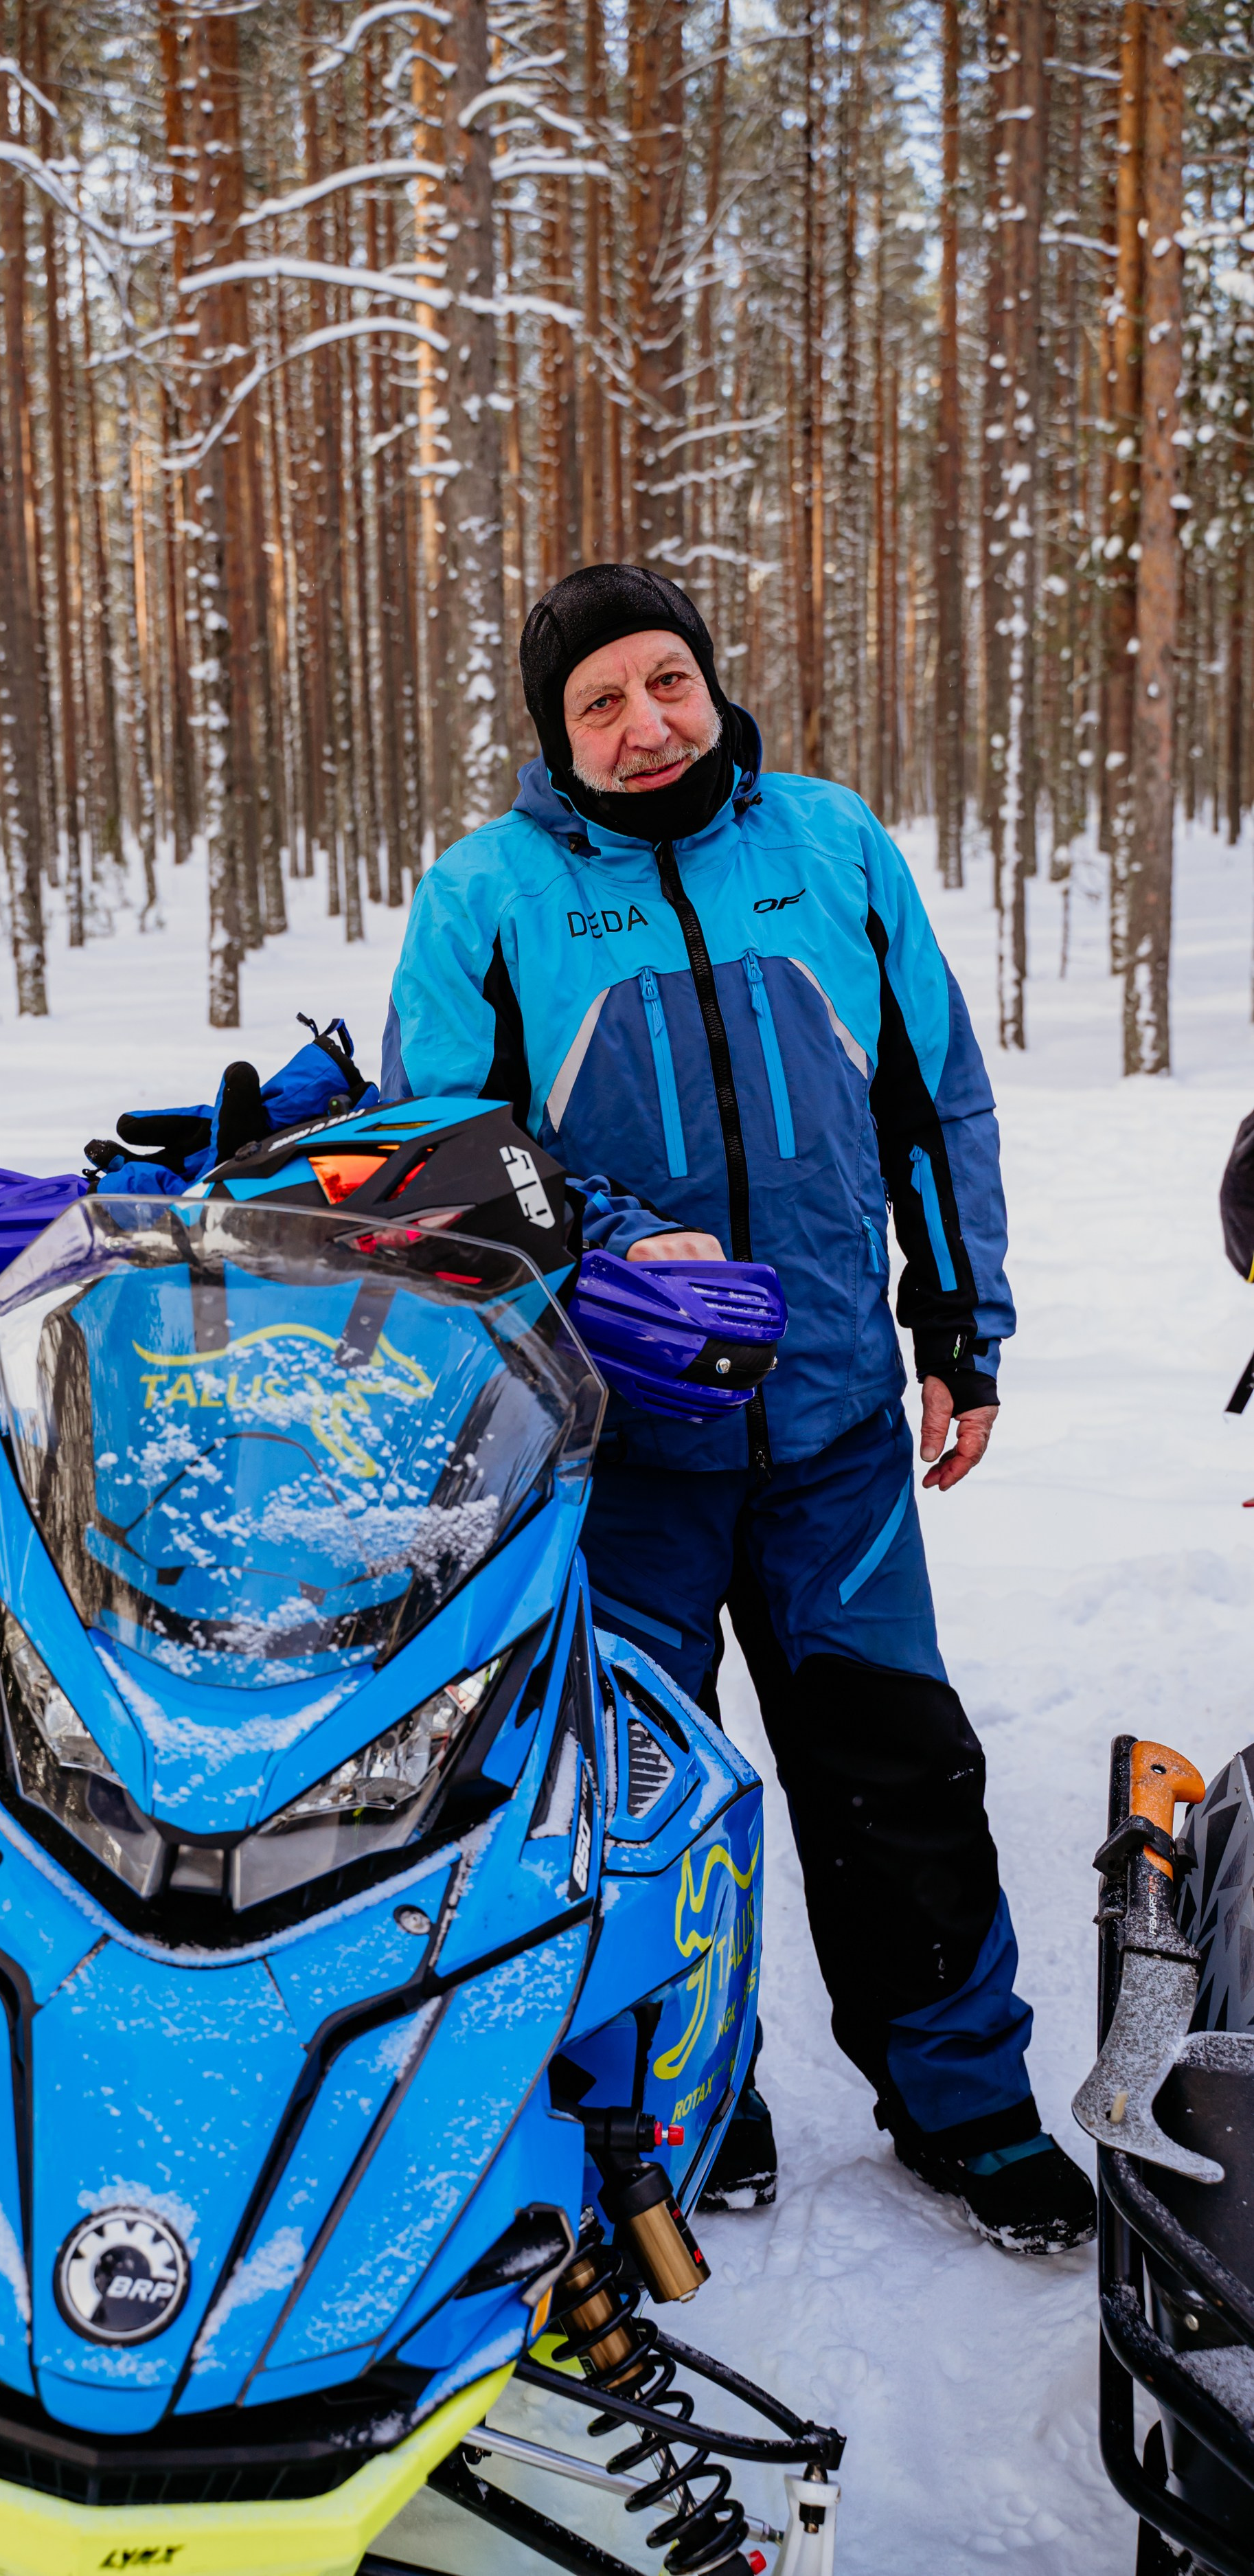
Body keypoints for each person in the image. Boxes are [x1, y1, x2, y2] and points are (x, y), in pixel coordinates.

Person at [381, 563, 1095, 2256]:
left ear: (709, 682)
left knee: (896, 1771)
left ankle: (963, 2106)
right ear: (554, 735)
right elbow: (436, 1156)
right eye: (599, 703)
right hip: (613, 1450)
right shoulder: (485, 894)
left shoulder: (830, 846)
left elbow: (932, 1103)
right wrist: (615, 1240)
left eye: (666, 682)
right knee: (624, 1793)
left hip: (833, 1425)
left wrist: (959, 1327)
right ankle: (671, 2104)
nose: (645, 725)